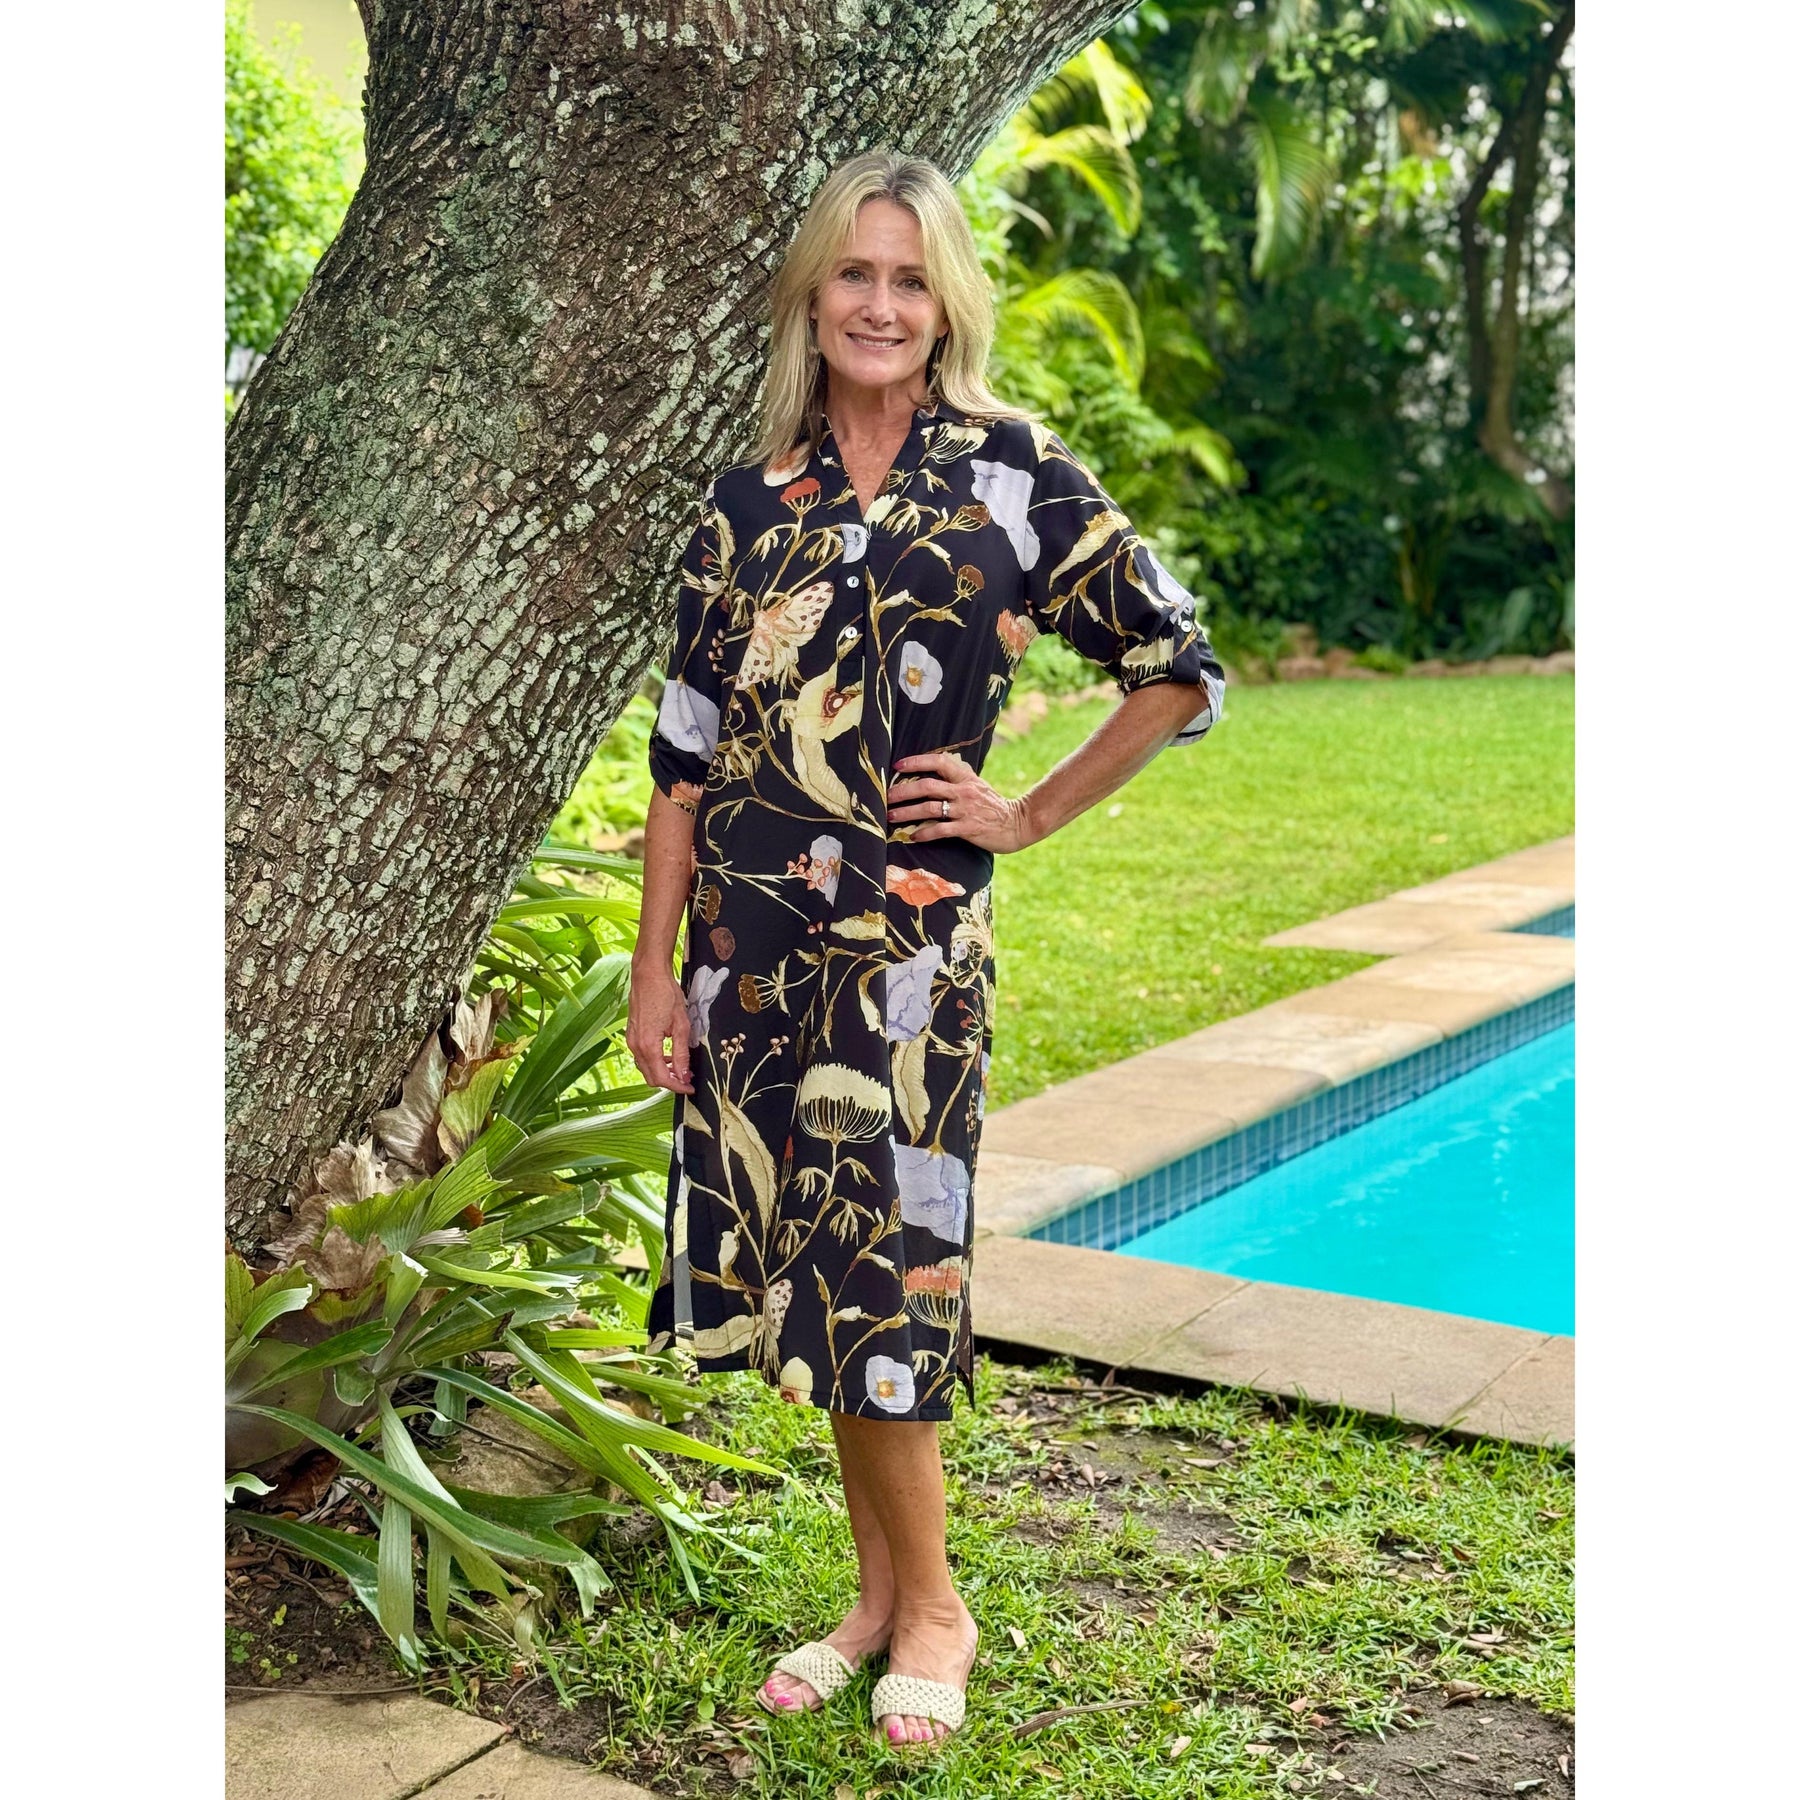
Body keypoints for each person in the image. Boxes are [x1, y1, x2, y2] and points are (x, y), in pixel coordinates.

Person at [626, 149, 1226, 1751]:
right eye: (855, 273)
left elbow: (1175, 666)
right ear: (811, 293)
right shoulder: (748, 505)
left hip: (906, 952)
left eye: (909, 278)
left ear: (945, 301)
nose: (880, 305)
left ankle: (938, 1607)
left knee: (888, 1265)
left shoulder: (1016, 476)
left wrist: (1026, 812)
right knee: (811, 1267)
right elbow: (682, 761)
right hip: (749, 946)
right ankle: (877, 1602)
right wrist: (653, 969)